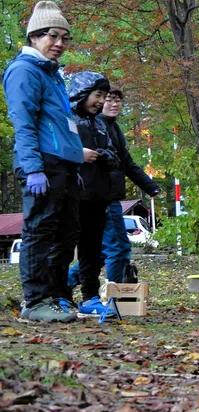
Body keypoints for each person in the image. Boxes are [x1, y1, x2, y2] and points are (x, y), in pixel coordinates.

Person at [2, 1, 84, 323]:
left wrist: (74, 163)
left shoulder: (52, 75)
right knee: (39, 231)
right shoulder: (24, 71)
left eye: (65, 38)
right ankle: (35, 301)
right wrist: (33, 168)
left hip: (63, 164)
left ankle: (57, 297)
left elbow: (63, 123)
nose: (60, 44)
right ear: (34, 36)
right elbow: (23, 123)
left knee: (66, 234)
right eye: (53, 36)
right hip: (42, 163)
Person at [67, 85, 160, 285]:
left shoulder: (112, 127)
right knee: (117, 247)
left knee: (100, 251)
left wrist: (151, 187)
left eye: (117, 100)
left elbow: (127, 163)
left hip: (110, 196)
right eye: (108, 99)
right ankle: (115, 296)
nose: (113, 104)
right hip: (99, 197)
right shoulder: (93, 126)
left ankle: (64, 283)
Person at [66, 71, 119, 318]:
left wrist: (108, 156)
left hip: (98, 195)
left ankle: (89, 297)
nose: (101, 101)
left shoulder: (100, 123)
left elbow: (113, 153)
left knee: (93, 250)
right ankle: (60, 297)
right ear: (82, 93)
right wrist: (79, 153)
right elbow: (57, 150)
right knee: (65, 248)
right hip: (72, 193)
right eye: (98, 95)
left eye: (104, 96)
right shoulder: (66, 118)